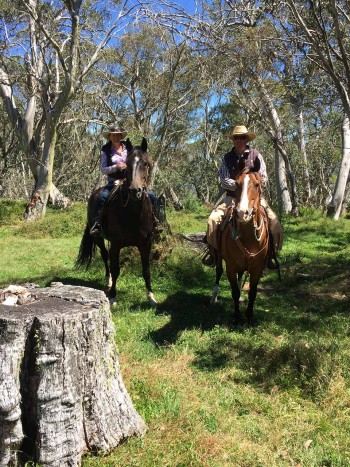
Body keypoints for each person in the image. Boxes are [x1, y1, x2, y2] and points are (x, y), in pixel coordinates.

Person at [202, 125, 283, 268]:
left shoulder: (256, 155)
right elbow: (223, 179)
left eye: (242, 137)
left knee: (275, 223)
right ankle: (213, 254)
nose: (239, 140)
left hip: (254, 198)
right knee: (212, 220)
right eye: (236, 138)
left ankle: (271, 254)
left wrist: (249, 186)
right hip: (232, 197)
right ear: (233, 140)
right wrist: (240, 186)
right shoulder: (227, 158)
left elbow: (263, 176)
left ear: (246, 139)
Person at [90, 124, 162, 237]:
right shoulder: (105, 150)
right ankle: (97, 224)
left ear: (121, 136)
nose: (116, 137)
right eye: (113, 135)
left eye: (118, 135)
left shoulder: (128, 148)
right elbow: (103, 169)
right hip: (113, 180)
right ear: (109, 137)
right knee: (102, 197)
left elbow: (136, 162)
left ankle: (155, 223)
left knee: (151, 196)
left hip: (130, 180)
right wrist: (116, 167)